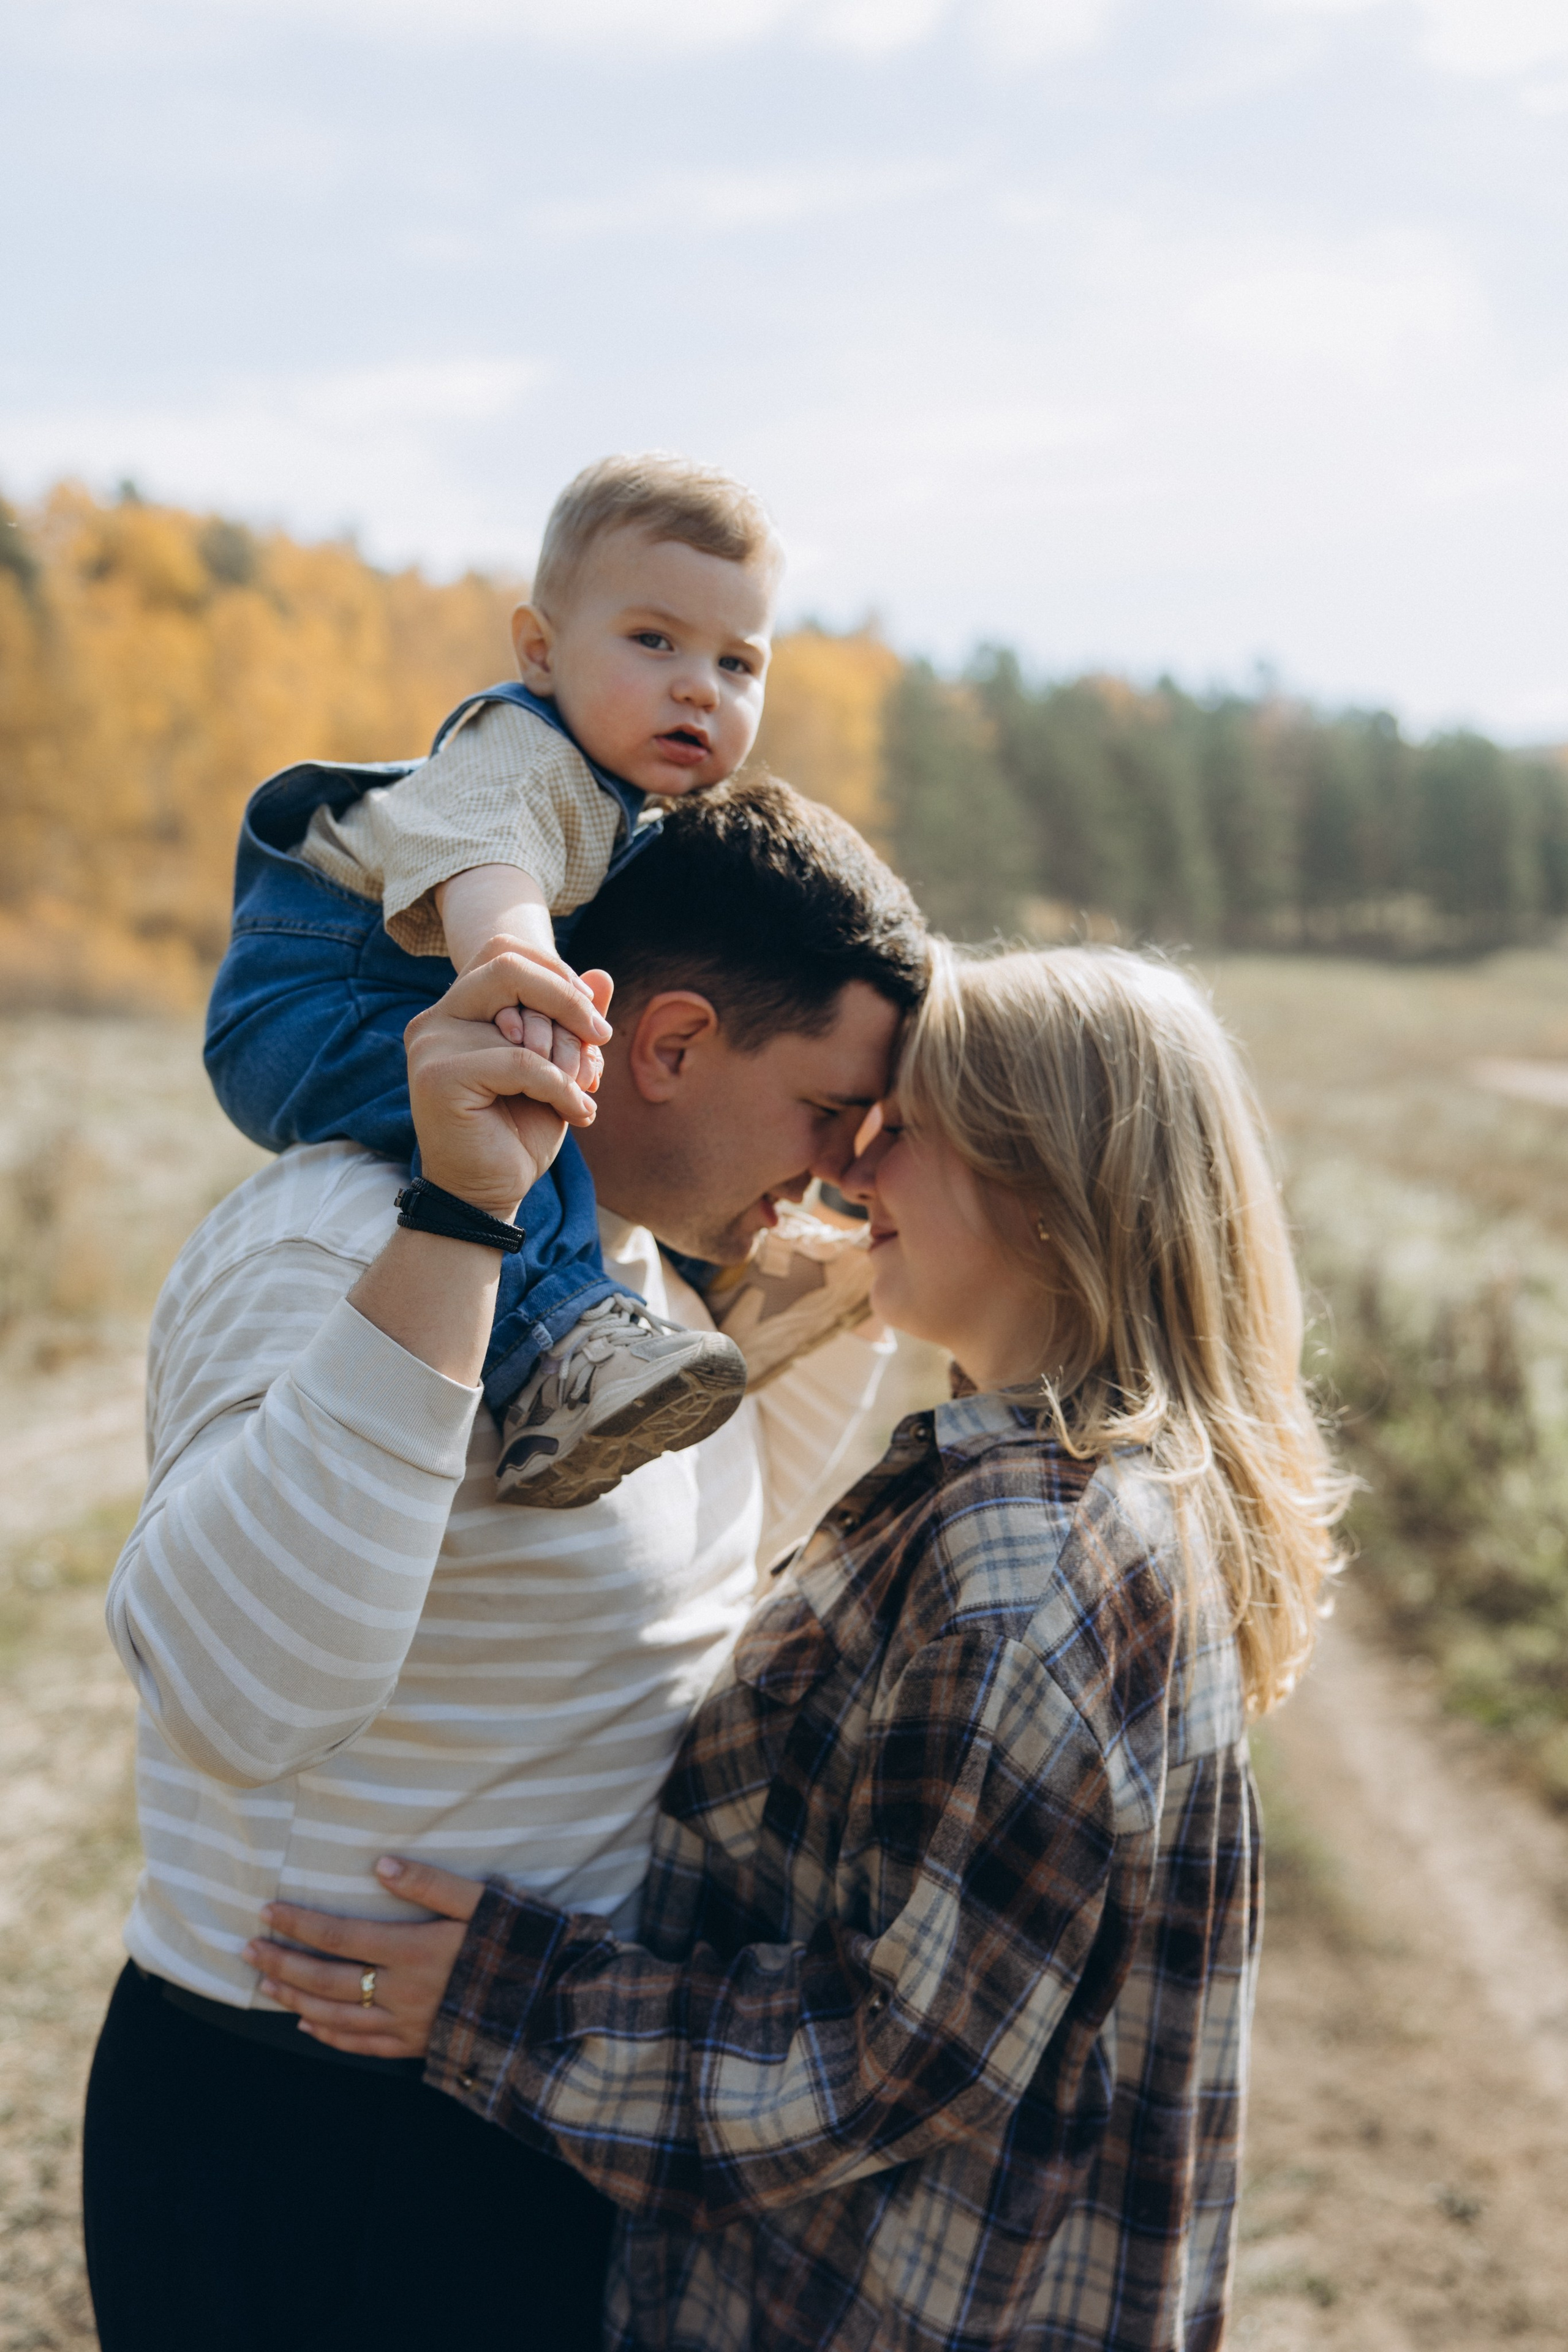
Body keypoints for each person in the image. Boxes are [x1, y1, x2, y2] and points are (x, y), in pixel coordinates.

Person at [251, 943, 1350, 2352]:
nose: (855, 1178)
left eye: (902, 1134)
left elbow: (887, 2061)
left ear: (1043, 1180)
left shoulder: (1026, 1570)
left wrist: (502, 2005)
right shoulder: (1066, 1495)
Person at [82, 779, 930, 2352]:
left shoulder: (637, 1294)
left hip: (532, 2106)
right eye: (830, 1112)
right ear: (667, 1047)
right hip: (302, 2136)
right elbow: (232, 1693)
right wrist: (463, 1214)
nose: (841, 1172)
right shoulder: (337, 1236)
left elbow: (695, 1619)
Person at [205, 451, 873, 1512]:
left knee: (590, 1109)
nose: (698, 684)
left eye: (738, 663)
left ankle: (706, 1289)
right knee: (521, 1106)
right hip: (316, 996)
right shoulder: (517, 748)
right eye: (654, 641)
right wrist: (517, 960)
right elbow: (489, 859)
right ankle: (561, 1358)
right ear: (541, 650)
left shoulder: (623, 792)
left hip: (401, 988)